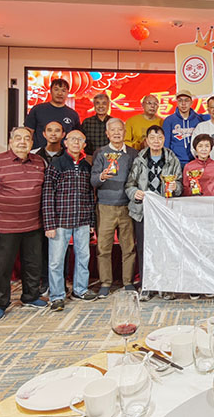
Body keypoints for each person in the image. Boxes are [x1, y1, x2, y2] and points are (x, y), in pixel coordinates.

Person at [0, 127, 47, 321]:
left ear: (32, 143)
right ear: (10, 141)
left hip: (34, 224)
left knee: (33, 264)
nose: (22, 142)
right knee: (3, 267)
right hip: (5, 225)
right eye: (18, 138)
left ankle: (30, 296)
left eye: (27, 139)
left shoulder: (39, 162)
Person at [42, 129, 98, 311]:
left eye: (80, 140)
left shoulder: (86, 166)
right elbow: (47, 195)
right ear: (65, 143)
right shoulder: (56, 164)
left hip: (82, 220)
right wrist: (49, 224)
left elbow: (90, 196)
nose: (76, 142)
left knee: (83, 257)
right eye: (72, 139)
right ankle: (57, 295)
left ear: (84, 145)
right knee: (56, 261)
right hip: (60, 221)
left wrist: (91, 222)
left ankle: (80, 290)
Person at [125, 125, 183, 301]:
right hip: (143, 211)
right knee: (144, 249)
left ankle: (166, 286)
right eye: (152, 138)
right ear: (147, 141)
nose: (156, 141)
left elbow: (180, 185)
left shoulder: (172, 159)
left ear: (164, 139)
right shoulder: (139, 159)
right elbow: (129, 185)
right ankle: (147, 285)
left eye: (159, 138)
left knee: (166, 248)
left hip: (165, 212)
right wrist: (134, 193)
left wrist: (175, 186)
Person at [90, 118, 138, 298]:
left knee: (129, 247)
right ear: (107, 133)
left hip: (127, 206)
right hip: (105, 207)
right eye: (113, 130)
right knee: (103, 248)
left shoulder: (133, 154)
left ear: (125, 132)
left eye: (120, 129)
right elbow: (93, 180)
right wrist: (102, 176)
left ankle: (128, 281)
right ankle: (105, 282)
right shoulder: (100, 153)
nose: (117, 133)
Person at [31, 120, 65, 295]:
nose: (53, 134)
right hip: (37, 207)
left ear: (63, 135)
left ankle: (60, 282)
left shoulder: (69, 155)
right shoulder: (34, 156)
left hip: (61, 210)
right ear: (44, 134)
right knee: (40, 247)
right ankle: (44, 281)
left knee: (60, 248)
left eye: (57, 130)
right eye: (49, 130)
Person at [25, 78, 80, 150]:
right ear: (50, 91)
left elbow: (76, 136)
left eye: (63, 90)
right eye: (56, 89)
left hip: (64, 154)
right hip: (38, 153)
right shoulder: (37, 109)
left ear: (68, 93)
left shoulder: (73, 114)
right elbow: (28, 132)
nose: (59, 93)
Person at [163, 89, 203, 169]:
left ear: (191, 102)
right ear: (177, 102)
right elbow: (165, 144)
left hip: (195, 161)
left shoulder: (198, 120)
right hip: (175, 162)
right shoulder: (169, 120)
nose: (183, 103)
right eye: (180, 100)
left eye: (186, 100)